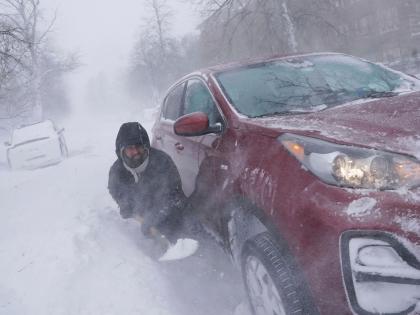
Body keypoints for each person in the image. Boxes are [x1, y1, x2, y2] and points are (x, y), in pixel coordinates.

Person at [108, 122, 186, 242]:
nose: (136, 152)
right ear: (122, 151)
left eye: (139, 146)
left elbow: (175, 196)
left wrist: (155, 216)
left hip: (169, 214)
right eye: (130, 148)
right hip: (142, 216)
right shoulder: (117, 172)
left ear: (146, 146)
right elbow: (119, 196)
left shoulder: (162, 162)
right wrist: (128, 208)